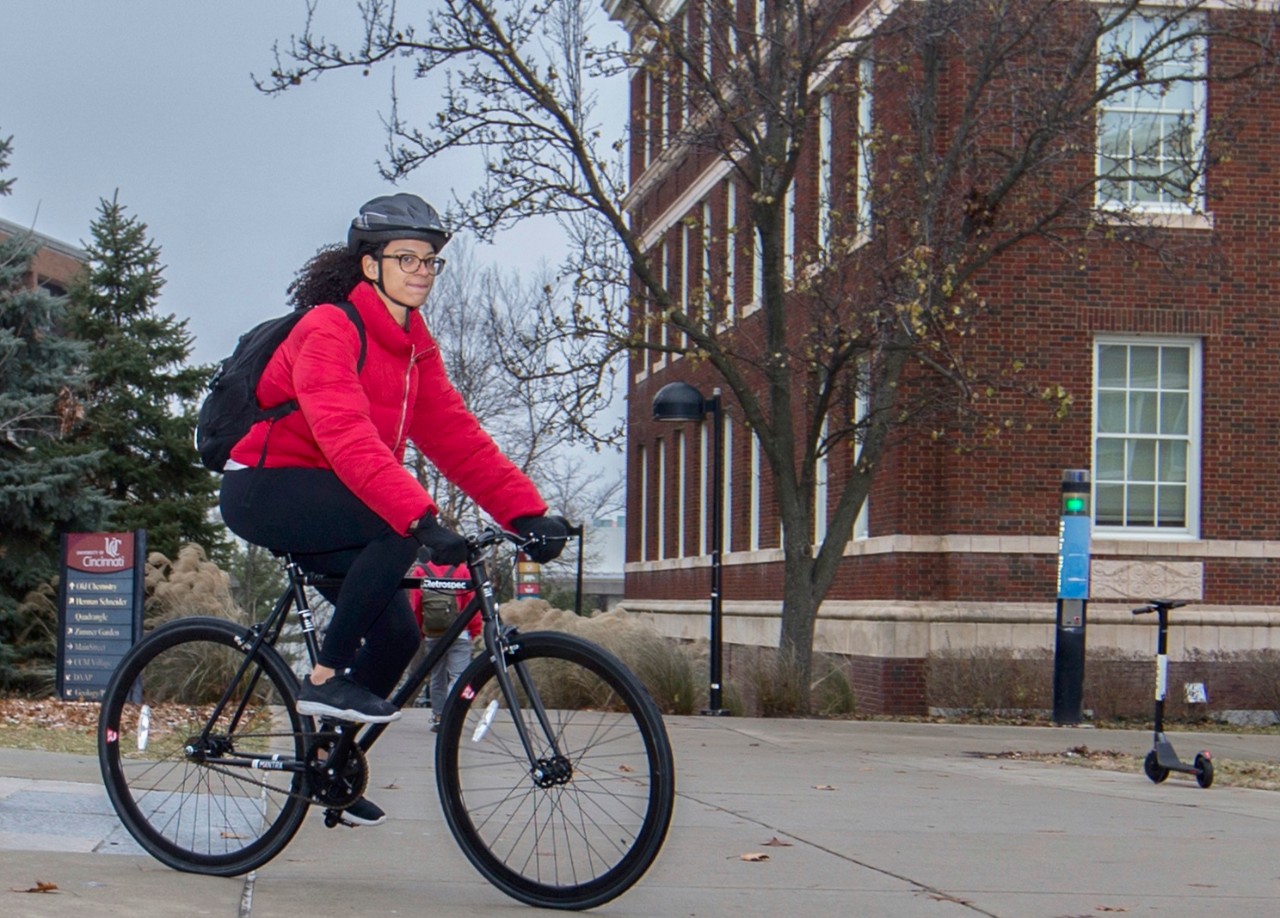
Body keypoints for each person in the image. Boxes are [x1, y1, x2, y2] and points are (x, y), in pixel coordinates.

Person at [219, 193, 569, 826]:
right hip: (267, 485)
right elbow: (347, 439)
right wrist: (422, 519)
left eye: (431, 260)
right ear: (369, 265)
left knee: (399, 633)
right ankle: (323, 678)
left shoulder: (413, 348)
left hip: (338, 495)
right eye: (405, 257)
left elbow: (458, 437)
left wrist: (526, 513)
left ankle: (327, 768)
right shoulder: (327, 327)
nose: (421, 271)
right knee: (394, 527)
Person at [421, 560, 481, 732]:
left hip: (432, 633)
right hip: (460, 631)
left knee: (436, 677)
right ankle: (453, 716)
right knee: (459, 677)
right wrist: (474, 629)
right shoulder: (462, 569)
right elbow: (471, 601)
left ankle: (438, 716)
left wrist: (421, 631)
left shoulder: (421, 570)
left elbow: (416, 604)